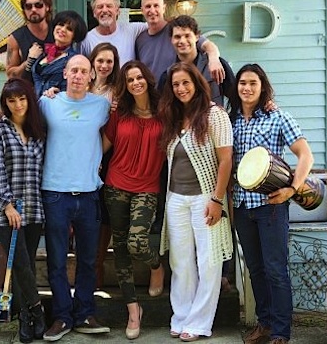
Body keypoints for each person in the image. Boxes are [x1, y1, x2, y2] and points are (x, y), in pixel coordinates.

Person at [230, 64, 314, 344]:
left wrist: (292, 188)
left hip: (271, 205)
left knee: (276, 269)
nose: (247, 88)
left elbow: (305, 155)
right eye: (242, 82)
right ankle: (264, 324)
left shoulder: (279, 117)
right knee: (255, 269)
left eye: (253, 83)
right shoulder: (232, 121)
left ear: (262, 86)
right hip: (242, 206)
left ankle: (280, 332)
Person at [158, 62, 233, 342]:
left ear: (197, 83)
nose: (181, 89)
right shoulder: (173, 118)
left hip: (206, 198)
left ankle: (200, 323)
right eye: (175, 84)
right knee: (180, 261)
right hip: (176, 199)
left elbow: (225, 160)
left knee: (208, 260)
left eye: (185, 83)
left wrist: (217, 199)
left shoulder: (214, 115)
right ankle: (182, 317)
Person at [39, 55, 111, 342]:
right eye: (74, 71)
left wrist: (98, 157)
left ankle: (85, 314)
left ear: (91, 76)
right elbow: (18, 115)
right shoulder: (48, 103)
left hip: (89, 192)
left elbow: (116, 133)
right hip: (55, 193)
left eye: (84, 71)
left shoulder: (101, 106)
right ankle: (61, 316)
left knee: (88, 259)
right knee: (56, 259)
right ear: (65, 74)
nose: (79, 75)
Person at [102, 60, 166, 340]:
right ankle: (132, 309)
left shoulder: (165, 113)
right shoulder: (119, 113)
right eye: (129, 80)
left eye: (139, 77)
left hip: (147, 188)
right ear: (125, 86)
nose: (135, 82)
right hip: (116, 185)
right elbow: (102, 147)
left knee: (137, 242)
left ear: (147, 80)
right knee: (121, 248)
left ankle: (156, 266)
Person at [0, 78, 47, 343]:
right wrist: (7, 205)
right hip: (7, 210)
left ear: (29, 100)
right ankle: (37, 310)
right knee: (20, 262)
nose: (17, 104)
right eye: (11, 100)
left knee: (28, 264)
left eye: (22, 99)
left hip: (34, 207)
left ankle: (24, 316)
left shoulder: (38, 131)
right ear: (5, 103)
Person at [136, 0, 225, 84]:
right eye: (148, 6)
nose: (152, 10)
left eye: (156, 5)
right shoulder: (140, 40)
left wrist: (214, 59)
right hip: (152, 96)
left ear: (163, 8)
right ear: (142, 10)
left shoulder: (177, 30)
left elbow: (208, 45)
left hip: (177, 93)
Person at [88, 42, 121, 289]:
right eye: (100, 60)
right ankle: (86, 264)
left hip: (108, 151)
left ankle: (98, 265)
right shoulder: (82, 86)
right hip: (83, 151)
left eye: (109, 61)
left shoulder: (117, 91)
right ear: (92, 61)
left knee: (104, 207)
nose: (104, 65)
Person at [158, 15, 235, 108]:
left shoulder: (217, 66)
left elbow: (235, 97)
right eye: (177, 37)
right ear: (171, 39)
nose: (182, 41)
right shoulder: (168, 75)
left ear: (197, 37)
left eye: (187, 36)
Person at [79, 0, 147, 65]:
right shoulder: (87, 40)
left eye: (109, 6)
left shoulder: (132, 30)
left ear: (117, 11)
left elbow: (157, 25)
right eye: (100, 7)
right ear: (94, 13)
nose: (104, 10)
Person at [32, 10, 87, 97]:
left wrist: (58, 92)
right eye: (61, 24)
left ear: (74, 36)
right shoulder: (44, 52)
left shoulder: (73, 60)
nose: (62, 29)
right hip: (35, 105)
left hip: (54, 106)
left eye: (69, 29)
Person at [6, 0, 53, 80]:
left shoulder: (59, 31)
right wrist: (28, 62)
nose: (33, 9)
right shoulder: (15, 38)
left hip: (58, 91)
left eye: (38, 5)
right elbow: (11, 75)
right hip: (30, 92)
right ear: (24, 10)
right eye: (28, 6)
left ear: (47, 7)